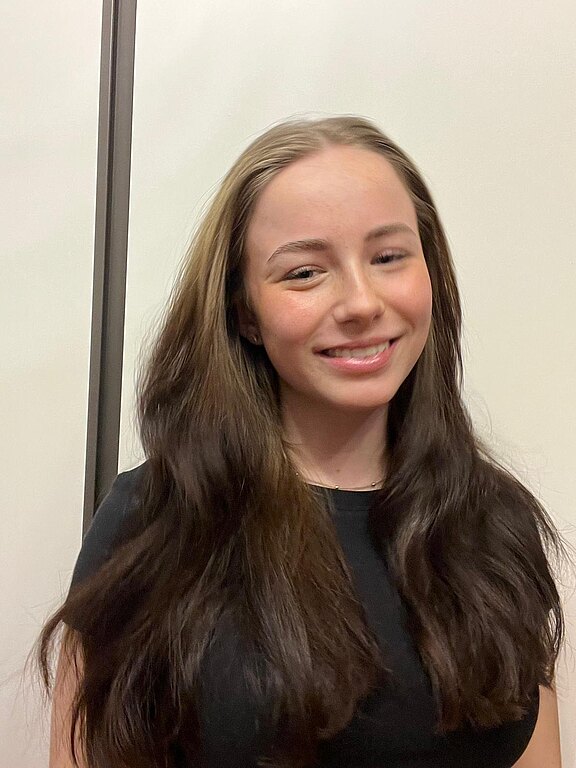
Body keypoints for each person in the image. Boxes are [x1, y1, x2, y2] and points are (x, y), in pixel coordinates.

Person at [40, 116, 565, 768]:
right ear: (244, 314)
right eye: (306, 272)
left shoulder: (497, 521)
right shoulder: (153, 520)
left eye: (388, 257)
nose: (361, 302)